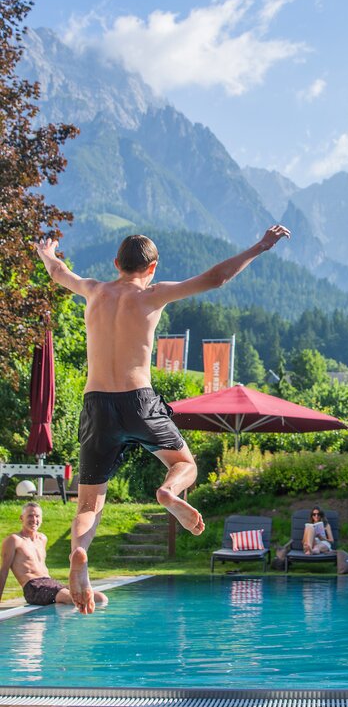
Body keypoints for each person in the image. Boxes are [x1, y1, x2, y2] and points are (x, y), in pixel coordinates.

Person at [35, 225, 291, 614]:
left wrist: (47, 251)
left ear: (116, 264)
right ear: (152, 267)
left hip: (96, 402)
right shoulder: (153, 294)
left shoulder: (93, 289)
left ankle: (79, 554)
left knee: (89, 501)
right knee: (184, 463)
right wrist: (260, 245)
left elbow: (57, 272)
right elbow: (216, 278)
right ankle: (169, 491)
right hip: (139, 400)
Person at [0, 501, 108, 607]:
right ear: (21, 518)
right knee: (73, 599)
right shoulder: (14, 540)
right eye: (30, 516)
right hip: (33, 587)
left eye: (37, 516)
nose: (34, 519)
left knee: (100, 598)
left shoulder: (42, 538)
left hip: (50, 583)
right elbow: (3, 570)